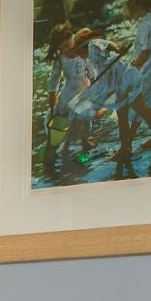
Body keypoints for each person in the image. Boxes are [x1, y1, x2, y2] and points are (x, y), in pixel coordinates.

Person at [43, 21, 119, 183]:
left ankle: (84, 142)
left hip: (84, 89)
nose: (66, 49)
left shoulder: (82, 51)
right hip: (69, 93)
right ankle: (59, 147)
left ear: (72, 37)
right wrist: (52, 93)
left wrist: (94, 81)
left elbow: (90, 70)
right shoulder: (60, 58)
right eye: (62, 47)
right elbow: (55, 77)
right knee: (64, 120)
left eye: (68, 44)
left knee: (85, 120)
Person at [113, 0, 151, 178]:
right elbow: (146, 47)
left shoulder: (145, 24)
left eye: (133, 8)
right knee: (150, 101)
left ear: (140, 7)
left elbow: (144, 53)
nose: (132, 12)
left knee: (137, 104)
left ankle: (139, 143)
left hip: (148, 67)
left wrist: (132, 66)